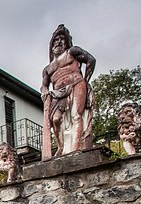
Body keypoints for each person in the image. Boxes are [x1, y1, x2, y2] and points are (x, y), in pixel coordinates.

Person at [41, 24, 96, 160]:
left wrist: (85, 80)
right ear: (51, 44)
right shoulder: (47, 69)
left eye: (62, 39)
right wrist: (45, 90)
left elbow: (91, 60)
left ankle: (75, 148)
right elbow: (44, 85)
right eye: (56, 40)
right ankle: (61, 147)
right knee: (56, 119)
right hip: (58, 93)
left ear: (67, 42)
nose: (59, 42)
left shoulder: (72, 52)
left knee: (76, 116)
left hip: (76, 84)